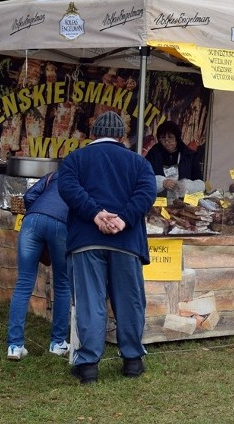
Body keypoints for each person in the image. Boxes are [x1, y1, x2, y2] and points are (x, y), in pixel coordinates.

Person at [57, 110, 157, 384]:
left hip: (86, 241)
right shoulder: (138, 162)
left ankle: (88, 365)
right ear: (121, 136)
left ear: (93, 134)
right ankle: (132, 361)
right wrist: (123, 220)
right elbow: (147, 193)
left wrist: (95, 214)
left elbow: (67, 187)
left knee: (90, 302)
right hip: (126, 243)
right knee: (130, 302)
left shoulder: (74, 159)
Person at [6, 172, 71, 361]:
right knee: (62, 284)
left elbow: (29, 196)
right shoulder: (86, 178)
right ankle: (58, 342)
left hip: (31, 221)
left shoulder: (54, 175)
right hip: (61, 224)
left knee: (24, 283)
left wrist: (40, 214)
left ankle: (14, 346)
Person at [145, 120, 204, 202]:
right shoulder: (153, 154)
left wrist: (186, 186)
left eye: (170, 137)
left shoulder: (190, 155)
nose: (166, 141)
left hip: (184, 202)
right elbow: (145, 177)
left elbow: (200, 183)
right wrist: (162, 183)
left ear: (177, 138)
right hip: (158, 201)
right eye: (163, 138)